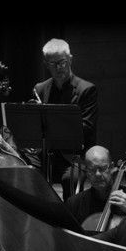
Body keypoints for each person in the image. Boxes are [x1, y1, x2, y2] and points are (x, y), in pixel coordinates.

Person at [33, 38, 97, 199]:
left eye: (62, 62)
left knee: (70, 179)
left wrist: (53, 126)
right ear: (46, 64)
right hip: (47, 154)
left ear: (70, 60)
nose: (58, 68)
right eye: (53, 63)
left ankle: (70, 214)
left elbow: (87, 127)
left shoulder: (86, 89)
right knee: (26, 173)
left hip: (75, 156)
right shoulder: (40, 89)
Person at [65, 145, 126, 226]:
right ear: (86, 172)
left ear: (111, 167)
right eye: (92, 170)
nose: (97, 174)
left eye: (102, 168)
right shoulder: (74, 203)